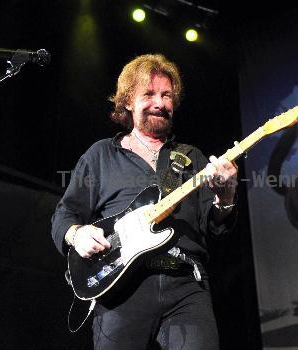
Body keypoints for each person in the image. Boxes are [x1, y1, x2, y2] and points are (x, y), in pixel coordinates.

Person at [51, 53, 238, 349]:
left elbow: (216, 228)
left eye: (166, 95)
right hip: (119, 288)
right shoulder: (101, 155)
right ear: (126, 101)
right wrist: (77, 234)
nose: (159, 103)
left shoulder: (192, 158)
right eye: (149, 94)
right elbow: (64, 215)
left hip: (186, 285)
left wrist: (225, 195)